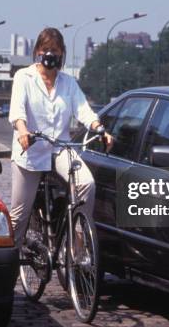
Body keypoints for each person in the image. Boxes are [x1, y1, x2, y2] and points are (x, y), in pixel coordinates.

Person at [8, 27, 113, 246]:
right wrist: (23, 130)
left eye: (55, 50)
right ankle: (10, 260)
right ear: (38, 50)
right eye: (46, 49)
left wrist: (99, 128)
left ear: (61, 53)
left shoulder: (68, 82)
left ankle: (77, 242)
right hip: (30, 149)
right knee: (19, 215)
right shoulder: (23, 77)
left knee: (86, 184)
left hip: (60, 148)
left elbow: (83, 109)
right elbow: (17, 110)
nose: (50, 54)